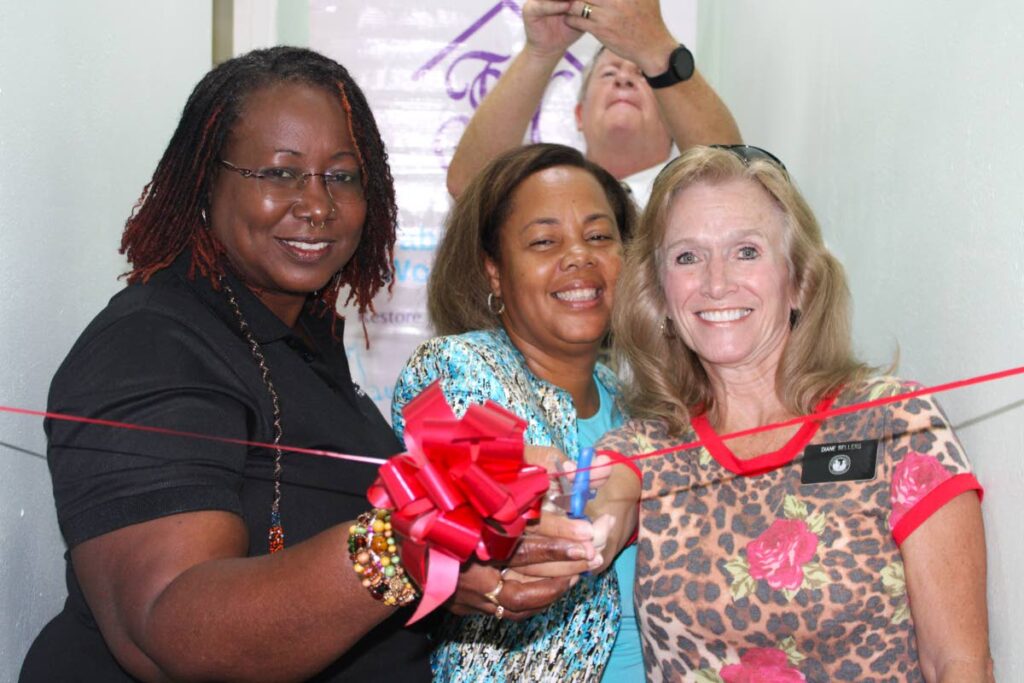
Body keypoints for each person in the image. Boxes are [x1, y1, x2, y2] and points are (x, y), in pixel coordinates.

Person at [20, 47, 590, 683]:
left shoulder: (299, 340)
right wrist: (409, 539)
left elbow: (327, 565)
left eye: (342, 177)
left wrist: (465, 567)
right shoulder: (148, 345)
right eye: (279, 173)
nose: (317, 204)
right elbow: (169, 626)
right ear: (205, 181)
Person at [588, 145, 993, 681]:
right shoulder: (642, 451)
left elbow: (959, 663)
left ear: (799, 280)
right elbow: (585, 530)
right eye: (687, 257)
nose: (715, 283)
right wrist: (530, 507)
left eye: (747, 251)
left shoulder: (898, 425)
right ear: (660, 296)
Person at [392, 143, 643, 681]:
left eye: (600, 236)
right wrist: (509, 481)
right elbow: (466, 496)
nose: (580, 256)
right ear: (495, 273)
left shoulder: (637, 402)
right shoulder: (458, 366)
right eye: (545, 241)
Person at [445, 0, 742, 200]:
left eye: (642, 76)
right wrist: (541, 52)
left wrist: (655, 48)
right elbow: (469, 188)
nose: (623, 80)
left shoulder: (694, 196)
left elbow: (736, 181)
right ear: (578, 114)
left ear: (672, 117)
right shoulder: (545, 189)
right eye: (609, 73)